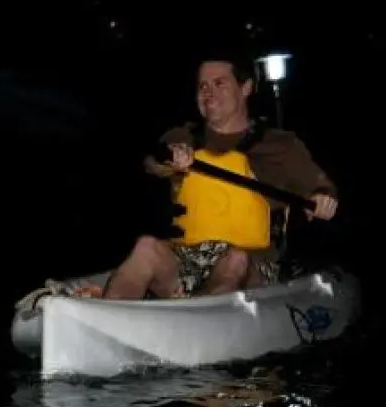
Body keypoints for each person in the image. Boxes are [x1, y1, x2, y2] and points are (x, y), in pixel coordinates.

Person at [102, 52, 339, 300]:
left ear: (245, 87)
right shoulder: (183, 137)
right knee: (146, 247)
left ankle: (201, 310)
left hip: (254, 262)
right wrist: (171, 160)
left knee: (235, 260)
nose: (208, 92)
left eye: (219, 83)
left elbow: (320, 187)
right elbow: (154, 163)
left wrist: (323, 198)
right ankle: (111, 311)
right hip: (191, 258)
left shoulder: (279, 145)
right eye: (202, 86)